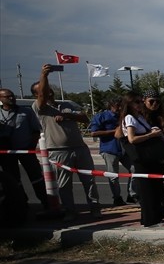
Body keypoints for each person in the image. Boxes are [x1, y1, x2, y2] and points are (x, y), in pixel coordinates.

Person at [33, 64, 100, 217]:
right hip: (58, 151)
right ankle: (70, 211)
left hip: (80, 148)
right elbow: (42, 96)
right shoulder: (39, 108)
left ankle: (95, 207)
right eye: (44, 91)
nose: (48, 93)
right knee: (64, 184)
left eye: (49, 90)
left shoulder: (66, 105)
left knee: (89, 180)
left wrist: (68, 116)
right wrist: (44, 75)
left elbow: (84, 118)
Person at [120, 92, 164, 227]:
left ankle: (156, 216)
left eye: (140, 101)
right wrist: (150, 135)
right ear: (129, 104)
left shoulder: (140, 117)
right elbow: (131, 139)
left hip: (150, 157)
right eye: (137, 102)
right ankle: (149, 220)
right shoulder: (130, 118)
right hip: (142, 157)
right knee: (146, 189)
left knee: (154, 187)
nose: (140, 104)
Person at [0, 86, 47, 209]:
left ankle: (45, 202)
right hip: (6, 153)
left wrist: (31, 147)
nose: (11, 98)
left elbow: (36, 131)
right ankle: (21, 202)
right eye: (7, 96)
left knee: (36, 177)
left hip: (26, 150)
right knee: (13, 179)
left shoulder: (26, 112)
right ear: (1, 99)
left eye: (12, 95)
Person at [88, 97, 131, 207]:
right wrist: (113, 131)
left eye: (121, 106)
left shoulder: (125, 117)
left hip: (124, 149)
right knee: (113, 175)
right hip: (110, 149)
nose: (120, 108)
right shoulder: (101, 117)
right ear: (111, 105)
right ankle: (117, 197)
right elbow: (93, 133)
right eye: (118, 106)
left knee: (135, 169)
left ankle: (132, 194)